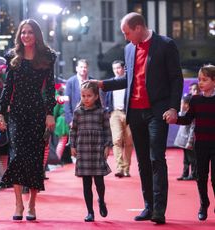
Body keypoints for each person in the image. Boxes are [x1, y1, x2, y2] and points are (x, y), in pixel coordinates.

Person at [93, 12, 183, 224]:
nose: (125, 37)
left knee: (156, 159)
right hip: (134, 112)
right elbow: (128, 79)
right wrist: (103, 84)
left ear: (138, 28)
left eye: (126, 32)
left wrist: (173, 108)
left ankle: (159, 210)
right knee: (142, 161)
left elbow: (176, 78)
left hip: (157, 111)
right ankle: (149, 206)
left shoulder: (165, 44)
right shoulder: (129, 48)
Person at [0, 19, 56, 221]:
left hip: (38, 113)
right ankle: (18, 204)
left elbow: (49, 87)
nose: (26, 36)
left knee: (35, 159)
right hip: (18, 114)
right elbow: (7, 88)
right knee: (17, 156)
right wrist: (1, 113)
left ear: (36, 34)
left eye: (29, 32)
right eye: (23, 32)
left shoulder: (47, 57)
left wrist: (50, 112)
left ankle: (32, 204)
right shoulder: (13, 56)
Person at [164, 64, 215, 221]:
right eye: (199, 79)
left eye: (204, 80)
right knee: (201, 176)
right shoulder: (195, 100)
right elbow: (187, 119)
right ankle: (203, 203)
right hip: (200, 144)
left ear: (214, 81)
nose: (200, 83)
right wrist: (175, 119)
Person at [69, 81, 112, 222]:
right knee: (86, 183)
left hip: (97, 149)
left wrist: (107, 146)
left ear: (95, 97)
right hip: (83, 150)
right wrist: (72, 146)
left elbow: (107, 130)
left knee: (99, 181)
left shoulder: (102, 112)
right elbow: (73, 130)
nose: (85, 98)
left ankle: (101, 200)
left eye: (89, 95)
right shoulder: (78, 112)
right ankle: (90, 212)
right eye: (83, 96)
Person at [104, 60, 133, 178]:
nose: (116, 70)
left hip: (129, 114)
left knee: (129, 142)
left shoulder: (129, 82)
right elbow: (106, 98)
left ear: (123, 69)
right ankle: (119, 168)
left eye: (118, 68)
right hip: (115, 113)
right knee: (116, 141)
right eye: (114, 68)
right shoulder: (111, 82)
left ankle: (126, 168)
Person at [174, 95, 197, 181]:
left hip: (189, 141)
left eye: (182, 103)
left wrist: (190, 142)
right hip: (183, 141)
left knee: (192, 159)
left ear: (187, 105)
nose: (181, 105)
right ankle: (185, 173)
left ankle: (194, 174)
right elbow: (179, 115)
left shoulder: (192, 115)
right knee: (186, 159)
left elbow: (192, 129)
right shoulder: (183, 113)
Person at [64, 59, 93, 126]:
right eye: (81, 67)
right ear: (77, 68)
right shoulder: (70, 82)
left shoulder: (92, 81)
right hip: (76, 117)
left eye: (85, 67)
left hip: (91, 116)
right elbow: (67, 102)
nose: (83, 69)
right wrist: (70, 120)